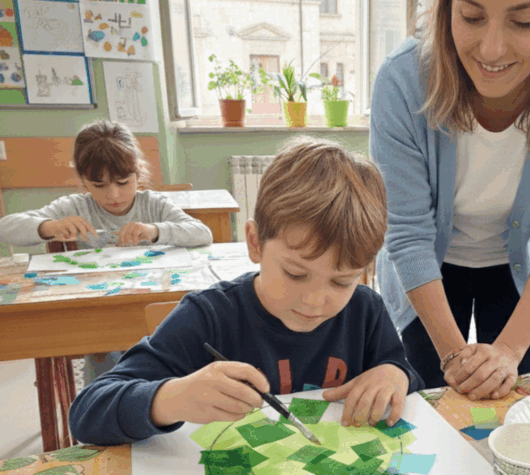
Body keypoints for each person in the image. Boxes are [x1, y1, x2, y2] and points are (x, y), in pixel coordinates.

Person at [68, 136, 424, 445]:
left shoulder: (366, 310)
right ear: (255, 242)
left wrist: (396, 373)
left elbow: (408, 381)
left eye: (342, 281)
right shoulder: (209, 317)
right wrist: (170, 399)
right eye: (296, 274)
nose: (316, 300)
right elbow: (87, 413)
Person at [370, 0, 530, 399]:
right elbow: (407, 233)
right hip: (422, 270)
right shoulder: (402, 77)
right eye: (471, 18)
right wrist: (454, 354)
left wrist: (509, 350)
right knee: (425, 396)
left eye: (523, 22)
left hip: (523, 268)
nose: (491, 50)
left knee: (512, 402)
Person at [0, 120, 213, 385]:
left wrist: (154, 230)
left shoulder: (153, 205)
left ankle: (155, 395)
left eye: (123, 182)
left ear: (138, 172)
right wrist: (49, 226)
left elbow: (202, 233)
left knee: (161, 353)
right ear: (83, 181)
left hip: (150, 308)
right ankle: (106, 399)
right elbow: (6, 228)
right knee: (104, 359)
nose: (113, 195)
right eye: (99, 185)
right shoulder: (75, 206)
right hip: (99, 315)